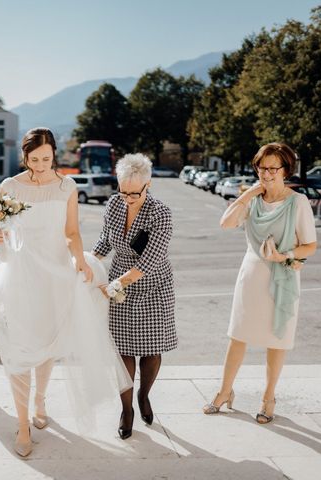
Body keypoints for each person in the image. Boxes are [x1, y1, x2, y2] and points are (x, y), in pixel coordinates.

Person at [0, 127, 132, 458]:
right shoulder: (10, 187)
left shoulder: (66, 186)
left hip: (55, 273)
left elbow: (71, 231)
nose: (41, 165)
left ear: (54, 156)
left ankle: (41, 399)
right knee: (19, 348)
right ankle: (23, 424)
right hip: (19, 274)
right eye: (35, 159)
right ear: (25, 157)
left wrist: (77, 259)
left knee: (49, 342)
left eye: (47, 159)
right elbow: (1, 228)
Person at [203, 142, 317, 424]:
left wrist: (285, 255)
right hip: (251, 274)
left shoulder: (298, 202)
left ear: (285, 169)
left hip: (283, 278)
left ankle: (268, 398)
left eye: (272, 168)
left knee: (276, 340)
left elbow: (310, 245)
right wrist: (250, 193)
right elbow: (226, 223)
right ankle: (224, 391)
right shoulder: (253, 199)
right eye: (261, 168)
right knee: (237, 335)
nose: (266, 174)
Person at [92, 153, 177, 438]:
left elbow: (148, 262)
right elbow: (104, 241)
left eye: (134, 193)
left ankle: (144, 394)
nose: (127, 198)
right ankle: (127, 408)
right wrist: (87, 263)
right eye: (123, 191)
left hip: (152, 285)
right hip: (119, 285)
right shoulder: (114, 204)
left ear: (148, 185)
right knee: (123, 350)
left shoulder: (160, 213)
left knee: (151, 349)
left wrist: (114, 286)